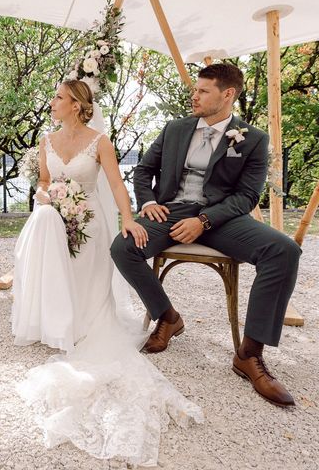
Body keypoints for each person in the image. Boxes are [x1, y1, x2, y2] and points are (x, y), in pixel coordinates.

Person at [12, 80, 203, 466]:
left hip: (91, 222)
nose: (53, 102)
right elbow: (45, 181)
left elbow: (116, 183)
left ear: (78, 105)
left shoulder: (100, 141)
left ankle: (83, 325)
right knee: (55, 261)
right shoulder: (46, 140)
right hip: (56, 219)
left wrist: (129, 221)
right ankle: (56, 319)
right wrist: (44, 195)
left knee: (88, 277)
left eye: (59, 97)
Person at [111, 63, 301, 407]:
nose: (194, 95)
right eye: (194, 89)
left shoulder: (253, 139)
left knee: (283, 250)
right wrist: (150, 200)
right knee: (124, 247)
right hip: (168, 211)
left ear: (227, 94)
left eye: (202, 91)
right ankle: (168, 317)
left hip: (221, 217)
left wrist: (204, 221)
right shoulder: (175, 129)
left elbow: (246, 196)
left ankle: (249, 353)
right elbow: (144, 170)